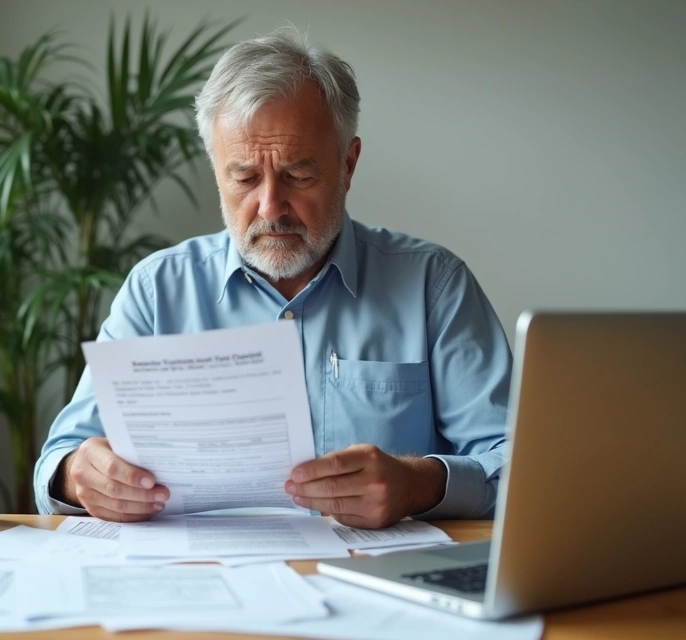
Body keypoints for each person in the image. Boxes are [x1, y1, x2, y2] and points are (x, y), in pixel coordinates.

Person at [33, 28, 512, 529]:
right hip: (201, 586)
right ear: (215, 169)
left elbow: (516, 464)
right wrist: (78, 476)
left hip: (373, 583)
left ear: (347, 164)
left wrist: (418, 485)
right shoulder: (157, 292)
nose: (269, 206)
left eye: (298, 175)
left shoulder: (433, 286)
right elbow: (61, 460)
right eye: (243, 178)